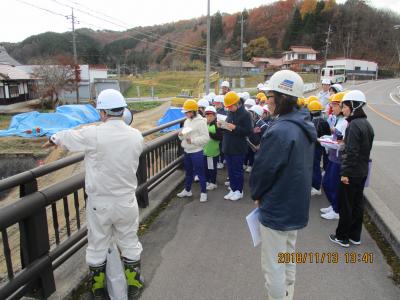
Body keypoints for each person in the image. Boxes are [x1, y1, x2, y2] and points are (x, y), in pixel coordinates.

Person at [43, 89, 145, 299]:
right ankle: (133, 284)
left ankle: (98, 289)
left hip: (100, 203)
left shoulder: (94, 134)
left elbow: (69, 137)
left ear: (103, 112)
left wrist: (53, 138)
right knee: (129, 242)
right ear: (123, 110)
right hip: (127, 201)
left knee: (98, 244)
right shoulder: (136, 136)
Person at [250, 70, 317, 300]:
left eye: (270, 95)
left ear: (280, 97)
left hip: (277, 208)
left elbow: (263, 171)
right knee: (288, 256)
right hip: (295, 205)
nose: (267, 100)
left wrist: (257, 194)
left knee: (274, 266)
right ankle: (288, 294)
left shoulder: (280, 130)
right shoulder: (303, 123)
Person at [330, 90, 374, 247]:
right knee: (357, 204)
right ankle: (355, 236)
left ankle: (342, 236)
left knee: (346, 205)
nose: (343, 109)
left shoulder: (354, 125)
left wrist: (345, 173)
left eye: (345, 106)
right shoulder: (367, 124)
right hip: (362, 171)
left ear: (354, 106)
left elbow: (352, 152)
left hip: (351, 172)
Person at [219, 91, 252, 201]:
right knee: (231, 170)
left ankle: (239, 191)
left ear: (237, 103)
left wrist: (235, 127)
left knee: (237, 170)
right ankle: (233, 189)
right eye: (228, 107)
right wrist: (222, 125)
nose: (229, 109)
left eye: (230, 106)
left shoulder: (246, 114)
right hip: (228, 146)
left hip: (238, 148)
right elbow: (229, 127)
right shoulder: (230, 113)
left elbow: (248, 132)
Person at [321, 92, 348, 220]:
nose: (333, 108)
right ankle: (333, 205)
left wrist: (323, 141)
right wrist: (326, 138)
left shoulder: (345, 123)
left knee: (332, 184)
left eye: (335, 105)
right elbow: (335, 139)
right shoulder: (340, 120)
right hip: (333, 157)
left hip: (338, 159)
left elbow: (340, 144)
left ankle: (336, 209)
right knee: (328, 183)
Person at [176, 99, 210, 202]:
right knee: (188, 173)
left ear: (193, 111)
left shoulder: (201, 122)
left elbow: (206, 138)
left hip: (197, 151)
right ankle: (187, 190)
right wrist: (180, 135)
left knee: (200, 173)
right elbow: (183, 136)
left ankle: (204, 192)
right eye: (186, 112)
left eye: (187, 112)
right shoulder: (187, 121)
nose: (186, 114)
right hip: (187, 151)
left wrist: (193, 141)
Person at [308, 101, 331, 197]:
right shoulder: (324, 121)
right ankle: (315, 185)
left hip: (315, 147)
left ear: (312, 112)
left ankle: (316, 187)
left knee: (315, 166)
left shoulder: (313, 122)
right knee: (316, 166)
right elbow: (329, 134)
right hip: (323, 147)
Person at [203, 106, 223, 191]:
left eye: (211, 116)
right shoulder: (205, 124)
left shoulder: (216, 125)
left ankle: (213, 183)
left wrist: (208, 133)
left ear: (215, 116)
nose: (209, 118)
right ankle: (207, 180)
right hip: (205, 150)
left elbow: (219, 137)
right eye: (207, 116)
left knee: (211, 168)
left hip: (212, 151)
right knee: (206, 167)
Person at [244, 105, 267, 173]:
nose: (250, 115)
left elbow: (264, 137)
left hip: (257, 145)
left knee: (252, 155)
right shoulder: (250, 122)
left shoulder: (263, 125)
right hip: (249, 142)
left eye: (252, 113)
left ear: (257, 114)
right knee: (247, 152)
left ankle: (251, 165)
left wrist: (260, 145)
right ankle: (245, 164)